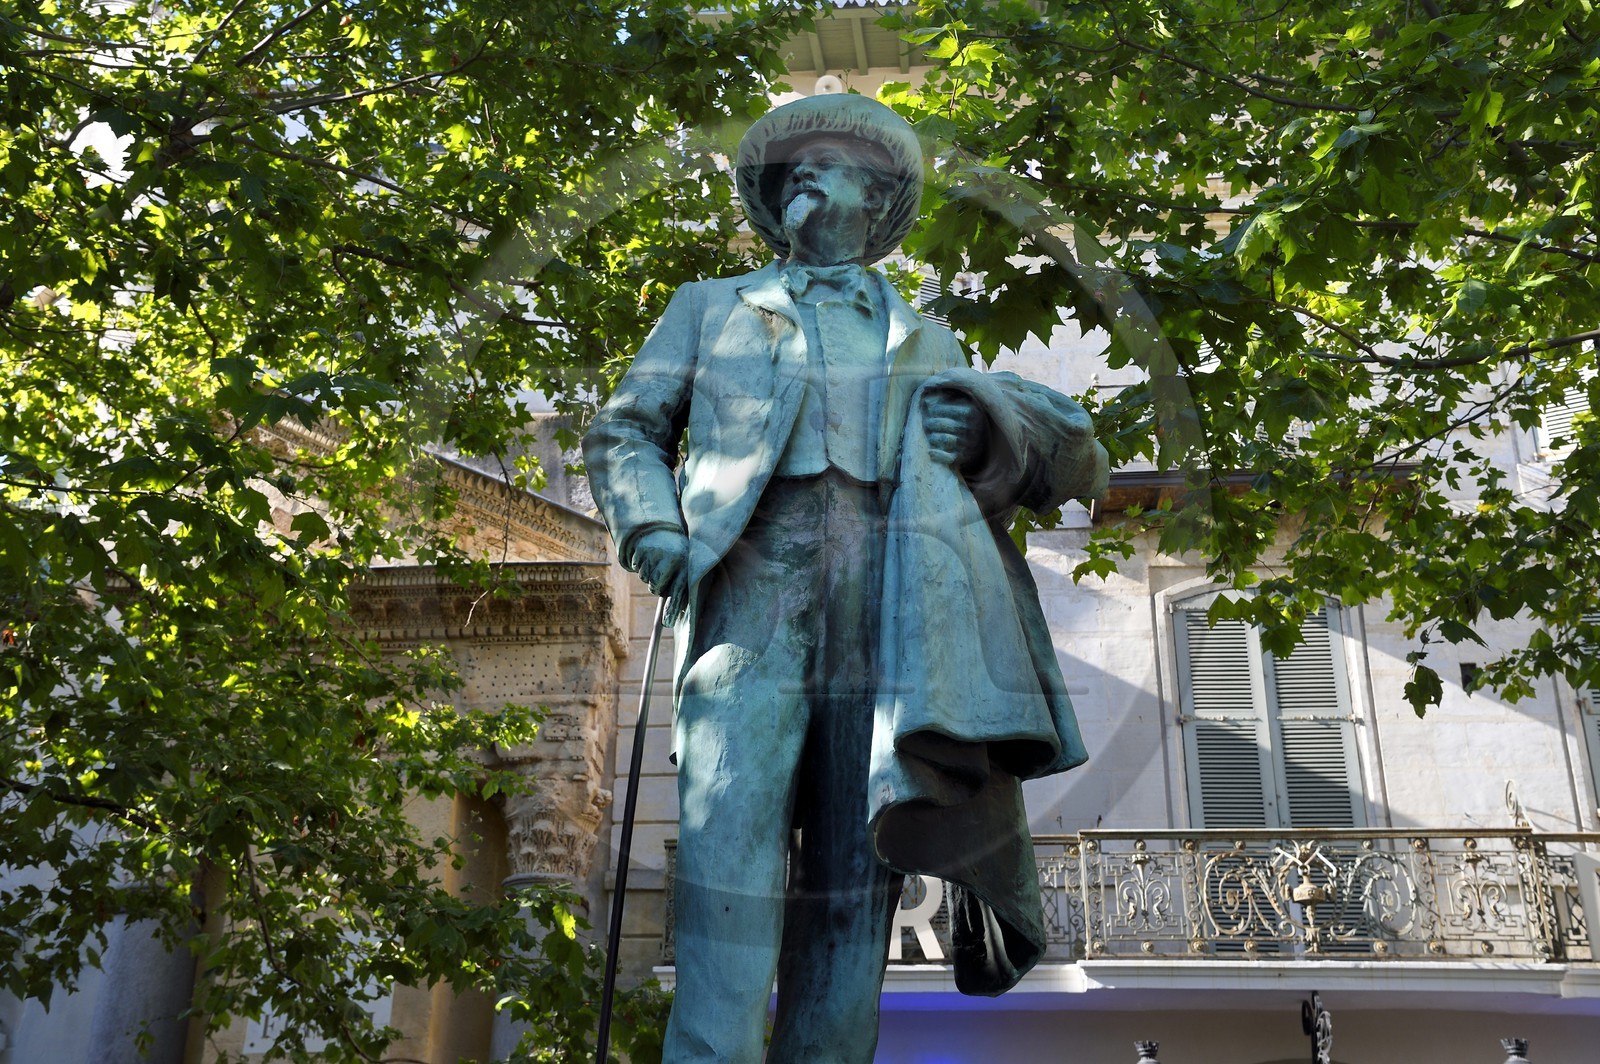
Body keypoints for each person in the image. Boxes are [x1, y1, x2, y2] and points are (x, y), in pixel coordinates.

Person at [583, 93, 1107, 1064]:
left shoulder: (926, 335)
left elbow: (1009, 467)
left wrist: (977, 429)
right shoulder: (707, 308)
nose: (805, 179)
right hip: (749, 593)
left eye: (826, 166)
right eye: (792, 170)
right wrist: (651, 523)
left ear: (874, 196)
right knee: (724, 860)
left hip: (891, 611)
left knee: (853, 883)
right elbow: (625, 429)